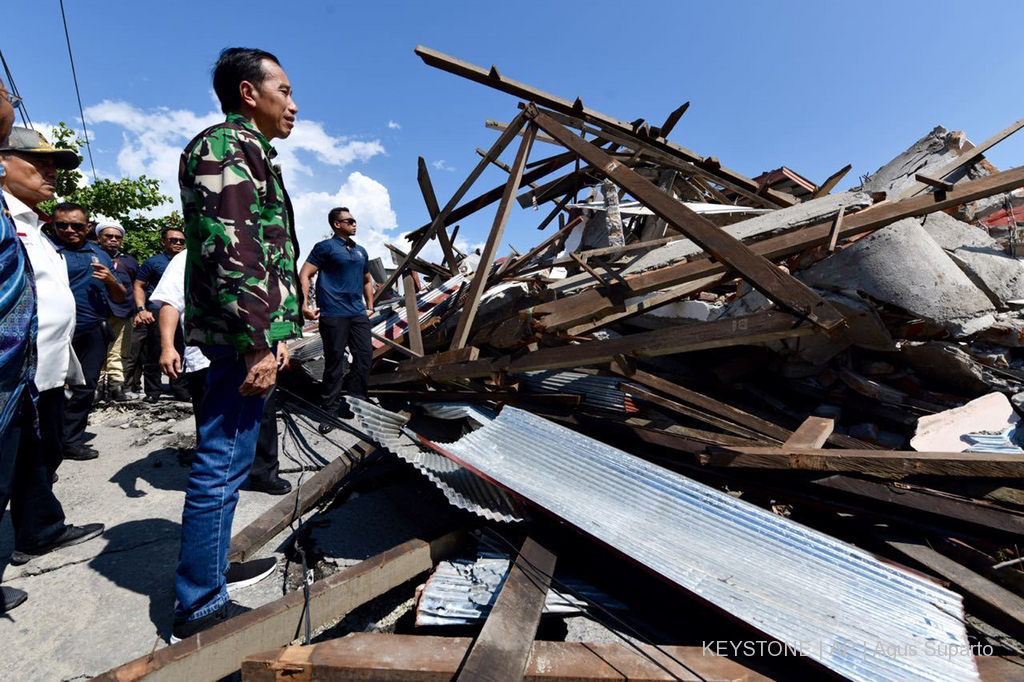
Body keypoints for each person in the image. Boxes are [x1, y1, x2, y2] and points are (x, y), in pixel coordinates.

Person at [172, 47, 302, 641]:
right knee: (220, 466)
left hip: (246, 334)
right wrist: (256, 343)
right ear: (249, 93)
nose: (293, 105)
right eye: (285, 90)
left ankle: (213, 572)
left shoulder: (249, 152)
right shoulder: (228, 146)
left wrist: (278, 336)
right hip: (236, 340)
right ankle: (198, 611)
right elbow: (233, 251)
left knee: (231, 462)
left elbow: (262, 253)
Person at [0, 125, 104, 569]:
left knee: (38, 457)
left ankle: (40, 531)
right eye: (39, 163)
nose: (51, 172)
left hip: (44, 371)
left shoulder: (34, 227)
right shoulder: (6, 222)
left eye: (54, 165)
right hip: (12, 375)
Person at [152, 250, 292, 495]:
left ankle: (264, 474)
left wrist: (280, 342)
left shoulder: (255, 253)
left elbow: (271, 305)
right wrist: (167, 346)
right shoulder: (188, 257)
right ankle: (216, 486)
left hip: (259, 354)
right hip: (209, 356)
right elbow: (170, 302)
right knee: (214, 424)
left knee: (264, 416)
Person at [50, 203, 127, 457]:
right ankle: (45, 449)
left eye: (77, 225)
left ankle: (70, 441)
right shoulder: (47, 250)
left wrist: (111, 280)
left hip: (92, 329)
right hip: (54, 331)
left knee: (85, 387)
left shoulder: (101, 254)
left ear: (89, 227)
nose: (69, 230)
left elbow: (119, 297)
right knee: (49, 389)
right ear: (53, 224)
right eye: (62, 225)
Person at [298, 207, 373, 434]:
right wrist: (304, 304)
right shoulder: (325, 247)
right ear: (336, 224)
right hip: (333, 313)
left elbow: (367, 279)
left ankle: (356, 403)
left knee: (364, 356)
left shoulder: (360, 251)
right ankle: (329, 411)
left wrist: (370, 306)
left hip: (357, 313)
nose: (354, 223)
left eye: (355, 220)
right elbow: (305, 273)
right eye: (349, 220)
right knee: (334, 362)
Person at [134, 226, 188, 403]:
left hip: (182, 311)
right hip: (157, 311)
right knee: (155, 351)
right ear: (163, 241)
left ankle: (180, 389)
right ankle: (153, 391)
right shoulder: (153, 262)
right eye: (174, 240)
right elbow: (139, 286)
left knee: (180, 349)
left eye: (181, 240)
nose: (178, 243)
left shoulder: (189, 260)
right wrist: (142, 310)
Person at [95, 220, 139, 402]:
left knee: (119, 351)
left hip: (123, 312)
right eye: (108, 236)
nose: (113, 240)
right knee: (97, 351)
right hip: (97, 312)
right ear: (99, 238)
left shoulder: (129, 261)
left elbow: (137, 286)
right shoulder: (92, 256)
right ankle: (96, 388)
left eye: (117, 237)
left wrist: (138, 311)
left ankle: (116, 387)